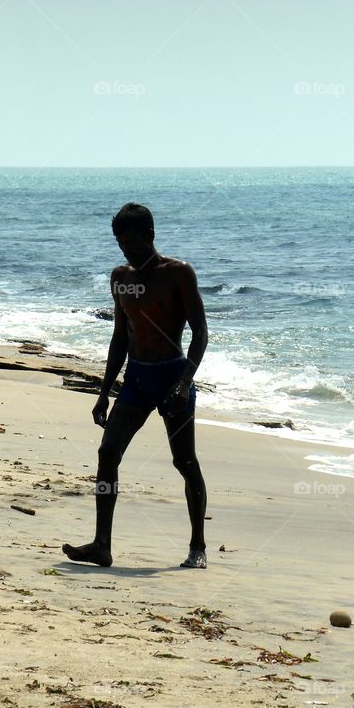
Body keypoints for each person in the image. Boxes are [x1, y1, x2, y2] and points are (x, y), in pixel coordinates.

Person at [62, 203, 209, 569]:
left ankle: (197, 546)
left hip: (173, 377)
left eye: (132, 241)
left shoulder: (178, 273)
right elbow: (119, 338)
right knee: (107, 453)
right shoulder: (120, 277)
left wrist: (183, 384)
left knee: (184, 461)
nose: (126, 249)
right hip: (137, 380)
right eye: (120, 242)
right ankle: (102, 544)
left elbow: (201, 335)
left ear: (151, 235)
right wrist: (103, 392)